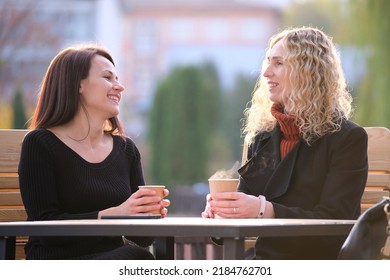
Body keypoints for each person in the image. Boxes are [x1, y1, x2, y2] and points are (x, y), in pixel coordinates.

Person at [202, 27, 368, 259]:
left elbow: (338, 220)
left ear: (308, 72)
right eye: (268, 63)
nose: (266, 72)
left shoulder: (347, 138)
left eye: (278, 63)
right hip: (264, 263)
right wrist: (224, 211)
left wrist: (264, 210)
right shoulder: (263, 137)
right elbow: (241, 209)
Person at [18, 44, 170, 260]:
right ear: (77, 85)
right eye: (108, 77)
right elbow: (45, 226)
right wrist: (115, 214)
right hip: (57, 264)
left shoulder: (126, 150)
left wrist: (146, 214)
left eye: (117, 78)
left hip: (115, 260)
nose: (120, 87)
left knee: (141, 258)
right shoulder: (40, 144)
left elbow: (142, 240)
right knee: (136, 259)